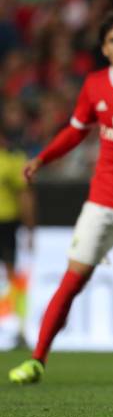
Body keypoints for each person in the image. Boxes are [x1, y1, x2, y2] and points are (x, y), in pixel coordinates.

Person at [9, 8, 113, 386]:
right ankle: (37, 359)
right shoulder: (95, 84)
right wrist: (43, 158)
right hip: (102, 200)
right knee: (72, 279)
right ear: (104, 47)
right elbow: (75, 130)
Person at [0, 128, 35, 347]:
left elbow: (24, 195)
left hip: (6, 224)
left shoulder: (12, 161)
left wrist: (30, 228)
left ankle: (20, 328)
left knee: (14, 276)